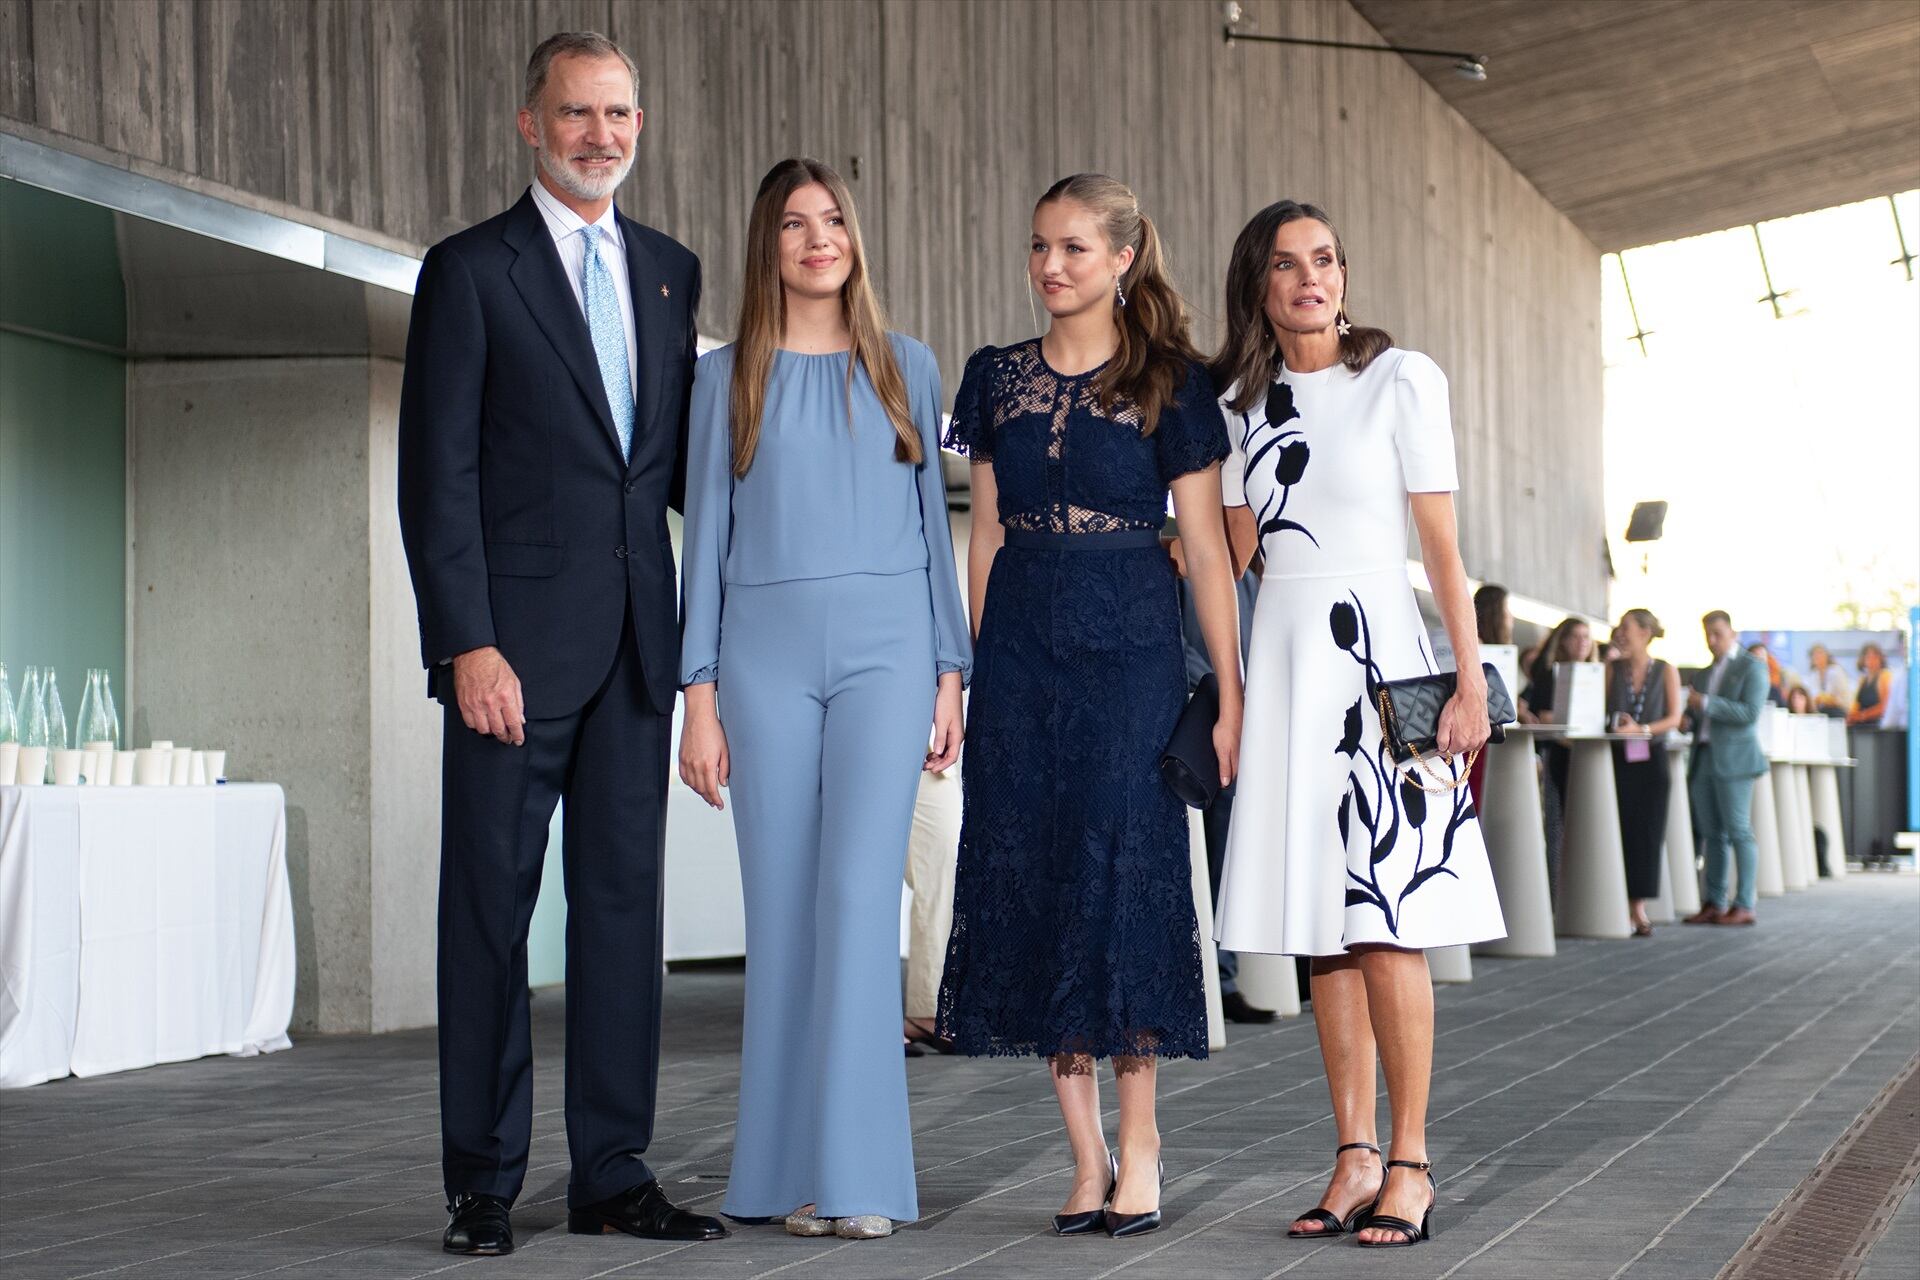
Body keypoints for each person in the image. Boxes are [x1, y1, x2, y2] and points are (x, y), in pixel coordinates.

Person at [396, 32, 725, 1256]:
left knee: (623, 913)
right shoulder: (471, 272)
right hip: (512, 664)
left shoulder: (669, 272)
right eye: (578, 113)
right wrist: (466, 643)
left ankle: (613, 1167)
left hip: (639, 646)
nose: (602, 134)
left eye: (621, 112)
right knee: (488, 912)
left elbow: (676, 468)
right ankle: (481, 1180)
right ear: (531, 125)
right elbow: (439, 477)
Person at [936, 173, 1244, 1241]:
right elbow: (981, 533)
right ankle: (1082, 1153)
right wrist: (968, 671)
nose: (1051, 265)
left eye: (1073, 247)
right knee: (1035, 874)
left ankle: (1144, 1140)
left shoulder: (1175, 382)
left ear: (1121, 257)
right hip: (1020, 647)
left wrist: (1229, 691)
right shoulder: (993, 378)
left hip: (1130, 652)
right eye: (1038, 247)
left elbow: (1206, 550)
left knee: (1124, 876)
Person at [678, 159, 970, 1240]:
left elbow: (934, 526)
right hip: (762, 656)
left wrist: (951, 668)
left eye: (833, 219)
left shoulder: (908, 366)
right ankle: (786, 1172)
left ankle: (858, 1179)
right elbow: (704, 535)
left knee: (857, 902)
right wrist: (696, 692)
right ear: (770, 245)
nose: (817, 239)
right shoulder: (724, 378)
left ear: (855, 235)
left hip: (892, 655)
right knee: (787, 912)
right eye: (796, 224)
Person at [1208, 199, 1505, 1249]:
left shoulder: (1400, 378)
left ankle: (1413, 1158)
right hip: (1286, 663)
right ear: (1260, 283)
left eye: (1326, 259)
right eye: (1287, 265)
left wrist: (1470, 682)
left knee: (1387, 919)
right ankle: (1351, 1153)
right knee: (1323, 930)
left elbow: (1442, 548)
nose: (1311, 278)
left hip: (1383, 657)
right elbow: (1228, 556)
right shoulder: (1238, 403)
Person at [1172, 535, 1273, 1024]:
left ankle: (1225, 973)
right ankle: (1212, 977)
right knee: (1205, 857)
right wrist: (1226, 689)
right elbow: (1175, 641)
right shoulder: (1184, 564)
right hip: (1198, 722)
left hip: (1247, 731)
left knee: (1230, 857)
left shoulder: (1253, 578)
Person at [1682, 611, 1769, 927]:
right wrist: (1688, 716)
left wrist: (1706, 704)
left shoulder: (1752, 667)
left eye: (1717, 632)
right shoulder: (1704, 674)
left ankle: (1744, 902)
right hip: (1703, 755)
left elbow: (1749, 713)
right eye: (1707, 633)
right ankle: (1714, 902)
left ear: (1733, 632)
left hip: (1735, 760)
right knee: (1711, 834)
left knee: (1739, 830)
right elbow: (1699, 714)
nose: (1712, 639)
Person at [1606, 609, 1684, 936]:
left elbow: (1675, 717)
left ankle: (1638, 907)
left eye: (1626, 628)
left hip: (1651, 758)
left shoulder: (1666, 670)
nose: (1621, 633)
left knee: (1647, 834)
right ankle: (1618, 904)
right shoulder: (1611, 669)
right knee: (1618, 830)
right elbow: (1595, 708)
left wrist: (1643, 729)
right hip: (1617, 758)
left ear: (1645, 632)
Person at [1519, 616, 1592, 900]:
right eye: (1575, 636)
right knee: (1557, 823)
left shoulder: (1596, 673)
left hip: (1586, 755)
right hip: (1559, 754)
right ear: (1562, 641)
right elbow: (1543, 716)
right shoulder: (1550, 673)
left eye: (1586, 636)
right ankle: (1556, 893)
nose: (1582, 642)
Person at [1466, 584, 1514, 808]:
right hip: (1479, 730)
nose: (1510, 617)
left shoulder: (1488, 648)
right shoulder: (1476, 645)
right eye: (1506, 610)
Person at [1848, 643, 1893, 726]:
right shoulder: (1862, 679)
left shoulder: (1884, 676)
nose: (1871, 660)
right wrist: (1852, 716)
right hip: (1861, 724)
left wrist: (1862, 716)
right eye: (1868, 657)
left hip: (1877, 724)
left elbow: (1885, 707)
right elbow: (1856, 705)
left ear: (1881, 659)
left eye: (1875, 657)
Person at [1807, 643, 1852, 716]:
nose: (1817, 656)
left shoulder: (1836, 671)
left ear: (1827, 656)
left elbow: (1842, 698)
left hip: (1840, 710)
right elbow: (1814, 697)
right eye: (1814, 654)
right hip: (1822, 711)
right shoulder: (1813, 674)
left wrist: (1826, 699)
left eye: (1820, 653)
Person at [1748, 642, 1789, 707]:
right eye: (1757, 658)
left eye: (1763, 659)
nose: (1761, 663)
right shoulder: (1740, 686)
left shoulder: (1773, 690)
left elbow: (1783, 710)